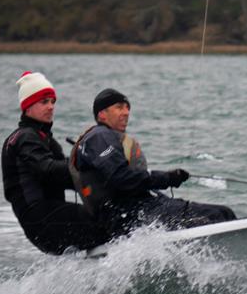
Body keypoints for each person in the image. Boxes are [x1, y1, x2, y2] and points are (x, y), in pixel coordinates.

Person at [70, 88, 236, 239]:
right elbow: (121, 178)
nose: (126, 112)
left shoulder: (105, 137)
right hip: (128, 215)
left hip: (143, 207)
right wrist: (167, 178)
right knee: (218, 215)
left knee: (222, 212)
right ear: (102, 114)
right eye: (119, 107)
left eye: (127, 108)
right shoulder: (99, 136)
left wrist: (167, 178)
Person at [1, 72, 109, 254]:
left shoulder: (46, 140)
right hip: (42, 219)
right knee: (110, 221)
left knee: (107, 212)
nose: (51, 107)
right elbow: (47, 170)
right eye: (44, 102)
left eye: (53, 102)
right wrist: (84, 162)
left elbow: (71, 177)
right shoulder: (25, 137)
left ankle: (94, 265)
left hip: (48, 220)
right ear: (27, 107)